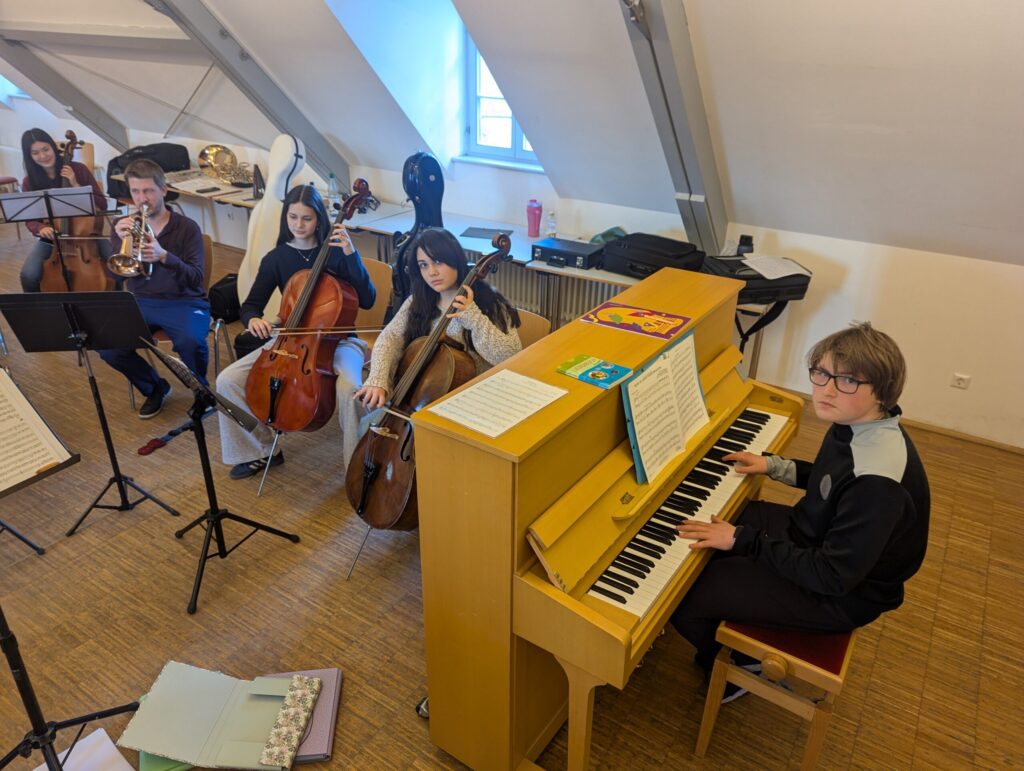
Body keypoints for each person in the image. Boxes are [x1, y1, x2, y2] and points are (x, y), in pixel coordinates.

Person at [670, 322, 929, 701]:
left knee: (686, 596)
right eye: (821, 372)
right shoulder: (858, 423)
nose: (826, 389)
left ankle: (738, 666)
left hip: (842, 593)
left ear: (883, 391)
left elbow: (830, 576)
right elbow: (831, 481)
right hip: (817, 539)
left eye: (848, 380)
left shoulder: (878, 482)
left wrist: (743, 541)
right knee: (723, 521)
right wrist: (774, 466)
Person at [215, 184, 376, 480]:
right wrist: (254, 320)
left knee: (351, 390)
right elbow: (250, 306)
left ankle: (358, 463)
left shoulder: (338, 253)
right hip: (289, 339)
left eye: (307, 219)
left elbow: (367, 299)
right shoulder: (276, 259)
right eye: (293, 217)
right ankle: (261, 451)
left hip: (340, 340)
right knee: (228, 381)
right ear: (285, 218)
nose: (299, 225)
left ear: (319, 220)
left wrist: (352, 254)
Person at [352, 226, 522, 414]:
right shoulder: (419, 301)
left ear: (455, 260)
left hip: (476, 402)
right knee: (366, 412)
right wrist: (378, 379)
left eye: (438, 262)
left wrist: (474, 319)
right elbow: (390, 337)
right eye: (423, 265)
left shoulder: (490, 303)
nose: (431, 272)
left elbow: (511, 355)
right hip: (424, 397)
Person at [99, 158, 209, 419]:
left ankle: (203, 392)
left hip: (184, 300)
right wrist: (118, 241)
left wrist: (163, 256)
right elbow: (112, 275)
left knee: (190, 342)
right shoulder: (125, 227)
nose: (141, 198)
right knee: (109, 347)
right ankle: (154, 387)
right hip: (141, 300)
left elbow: (197, 278)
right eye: (135, 191)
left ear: (163, 190)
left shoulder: (187, 228)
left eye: (148, 190)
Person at [18, 128, 110, 292]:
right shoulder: (29, 182)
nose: (43, 156)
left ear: (53, 147)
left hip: (86, 238)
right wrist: (41, 228)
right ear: (29, 156)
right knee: (29, 274)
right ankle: (42, 312)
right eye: (36, 153)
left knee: (114, 264)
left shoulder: (79, 170)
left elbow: (102, 204)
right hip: (53, 240)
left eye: (46, 149)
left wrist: (75, 184)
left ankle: (116, 306)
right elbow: (30, 219)